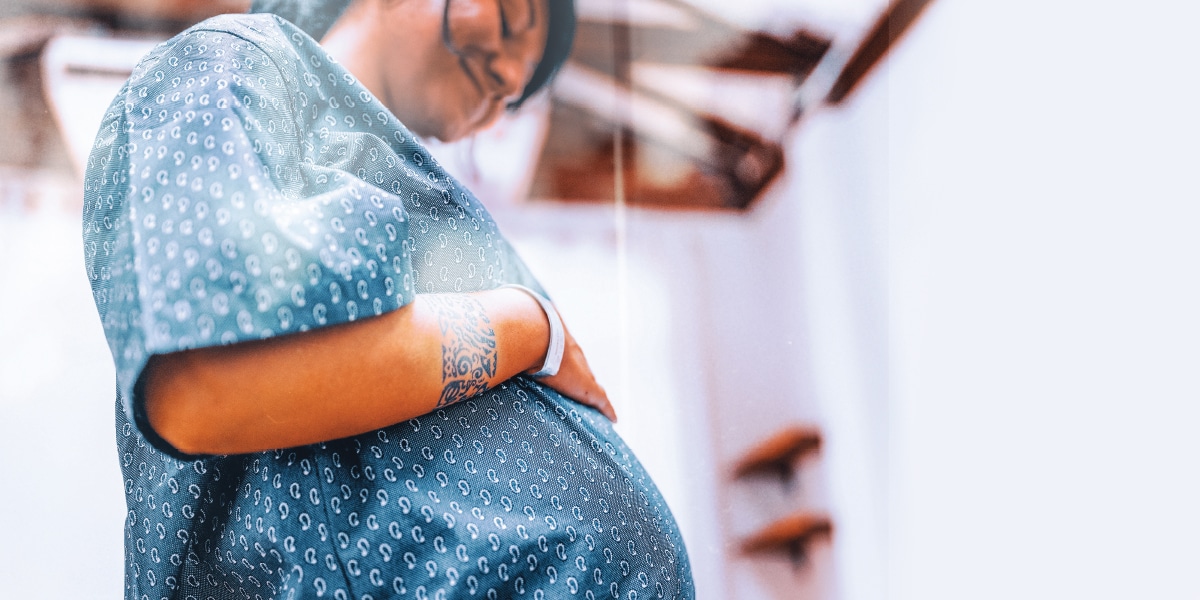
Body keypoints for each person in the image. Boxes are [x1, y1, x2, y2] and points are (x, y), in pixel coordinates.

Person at [81, 0, 695, 598]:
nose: (509, 76)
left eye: (518, 91)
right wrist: (530, 329)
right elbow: (201, 387)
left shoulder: (419, 188)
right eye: (509, 20)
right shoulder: (230, 64)